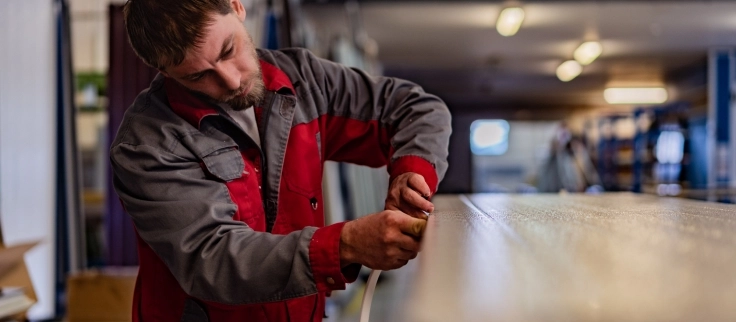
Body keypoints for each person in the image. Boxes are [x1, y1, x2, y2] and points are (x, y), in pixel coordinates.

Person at [110, 0, 451, 321]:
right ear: (163, 70)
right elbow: (213, 259)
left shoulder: (307, 82)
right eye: (197, 76)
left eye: (229, 49)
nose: (231, 80)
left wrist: (411, 173)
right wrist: (345, 245)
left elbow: (415, 110)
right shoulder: (147, 145)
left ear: (237, 6)